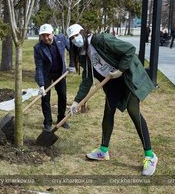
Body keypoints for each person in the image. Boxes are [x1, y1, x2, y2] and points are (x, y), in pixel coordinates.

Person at [67, 24, 158, 176]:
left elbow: (129, 50)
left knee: (133, 111)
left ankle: (150, 155)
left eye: (76, 35)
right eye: (71, 38)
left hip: (126, 76)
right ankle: (103, 151)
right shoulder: (83, 54)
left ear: (83, 32)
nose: (75, 39)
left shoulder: (101, 40)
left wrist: (120, 69)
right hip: (111, 82)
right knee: (108, 112)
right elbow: (87, 80)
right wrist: (76, 101)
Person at [34, 23, 73, 131]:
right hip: (46, 74)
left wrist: (72, 64)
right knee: (45, 98)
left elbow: (72, 49)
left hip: (60, 72)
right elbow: (39, 67)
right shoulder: (38, 48)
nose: (46, 38)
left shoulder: (61, 39)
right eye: (43, 36)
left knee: (62, 95)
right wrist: (41, 85)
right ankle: (47, 122)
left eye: (47, 35)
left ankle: (61, 119)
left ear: (52, 33)